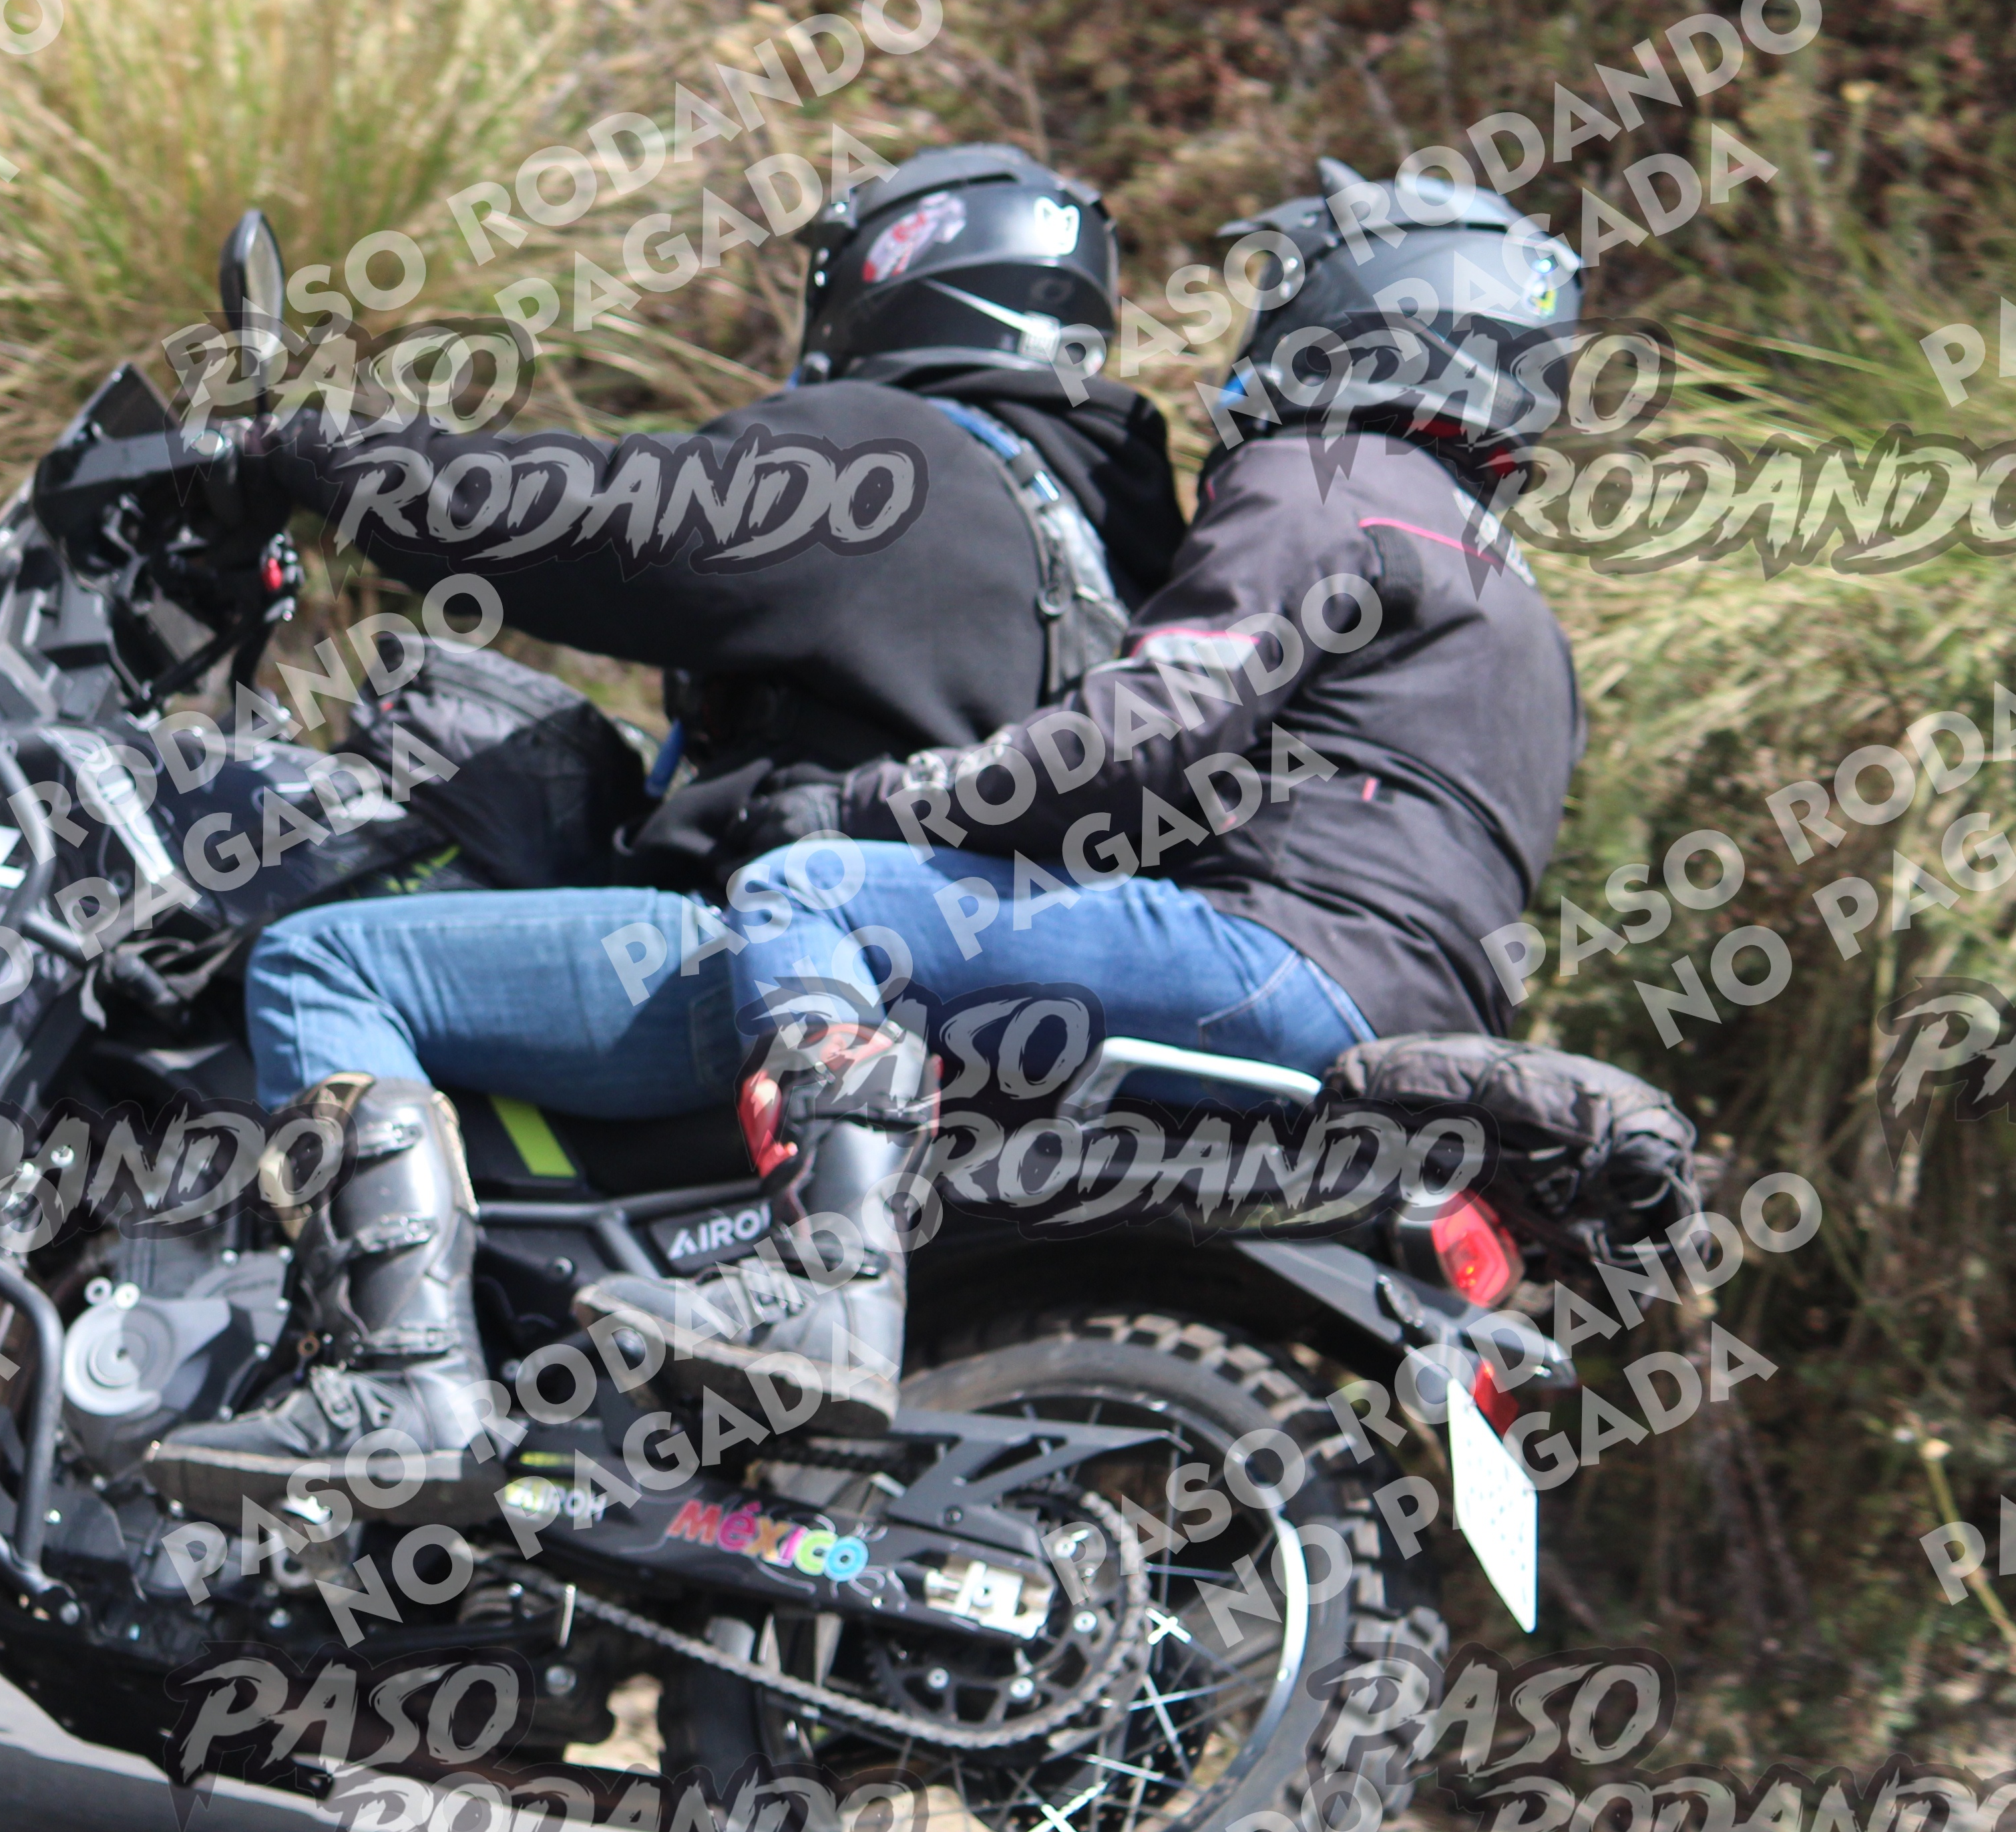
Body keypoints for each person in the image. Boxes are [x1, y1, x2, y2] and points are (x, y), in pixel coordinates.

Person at [140, 144, 1185, 1527]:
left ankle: (405, 1390)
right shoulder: (1122, 535)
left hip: (772, 969)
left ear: (889, 277)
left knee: (321, 965)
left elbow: (589, 522)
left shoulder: (887, 457)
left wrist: (321, 450)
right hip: (979, 989)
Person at [665, 159, 1589, 1458]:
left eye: (1288, 292)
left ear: (1361, 311)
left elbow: (1143, 738)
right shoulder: (1522, 606)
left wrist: (873, 802)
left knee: (808, 892)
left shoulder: (1328, 481)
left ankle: (822, 1286)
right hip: (1411, 1022)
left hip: (1278, 959)